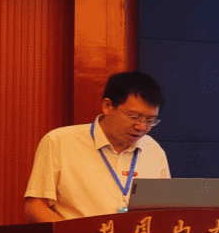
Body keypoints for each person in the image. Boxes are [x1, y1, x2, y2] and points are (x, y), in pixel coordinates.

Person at [24, 71, 170, 222]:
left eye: (150, 120)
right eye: (133, 117)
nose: (141, 127)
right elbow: (35, 207)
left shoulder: (153, 150)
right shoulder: (59, 141)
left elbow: (164, 209)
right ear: (107, 106)